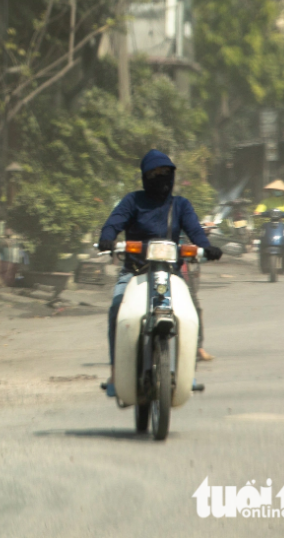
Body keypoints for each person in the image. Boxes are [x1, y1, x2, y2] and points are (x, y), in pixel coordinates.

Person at [98, 150, 223, 395]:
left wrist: (207, 248)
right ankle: (115, 373)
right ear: (145, 177)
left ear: (172, 175)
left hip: (170, 274)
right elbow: (114, 222)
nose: (160, 178)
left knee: (192, 313)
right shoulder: (132, 201)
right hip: (134, 272)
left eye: (165, 173)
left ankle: (189, 373)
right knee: (116, 309)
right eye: (154, 174)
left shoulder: (181, 205)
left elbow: (195, 232)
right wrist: (106, 238)